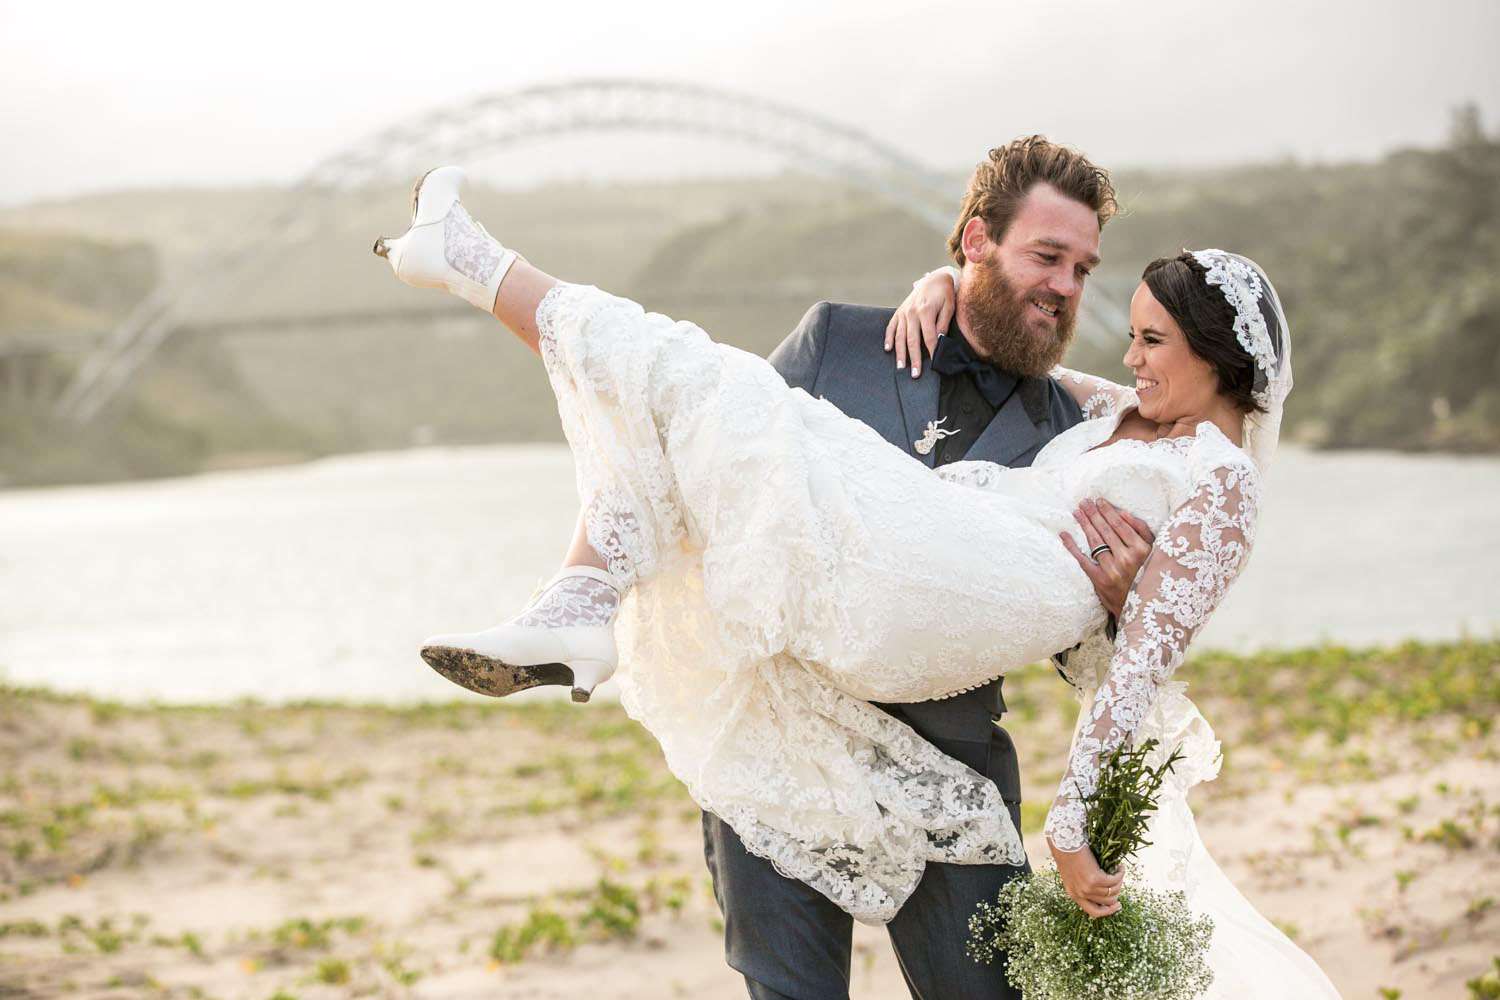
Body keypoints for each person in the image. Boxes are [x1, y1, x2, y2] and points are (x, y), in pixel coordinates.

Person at [372, 145, 1337, 997]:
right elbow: (698, 469)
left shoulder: (1076, 416)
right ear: (977, 241)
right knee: (698, 402)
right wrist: (941, 286)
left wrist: (1122, 615)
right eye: (1049, 257)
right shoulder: (857, 341)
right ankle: (579, 600)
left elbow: (1120, 648)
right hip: (782, 734)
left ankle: (484, 289)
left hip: (944, 741)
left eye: (1082, 270)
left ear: (1212, 352)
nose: (1070, 291)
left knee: (702, 382)